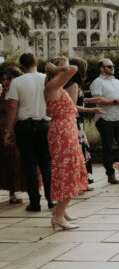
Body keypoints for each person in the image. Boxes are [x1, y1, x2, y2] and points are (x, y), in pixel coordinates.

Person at [3, 52, 53, 212]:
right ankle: (52, 198)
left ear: (22, 66)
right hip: (45, 122)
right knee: (46, 162)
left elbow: (12, 107)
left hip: (25, 125)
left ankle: (35, 201)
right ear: (36, 62)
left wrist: (8, 130)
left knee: (29, 164)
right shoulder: (46, 78)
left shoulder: (17, 82)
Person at [44, 57, 89, 230]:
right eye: (64, 64)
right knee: (68, 171)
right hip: (63, 132)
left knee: (70, 169)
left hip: (64, 130)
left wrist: (57, 70)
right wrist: (59, 69)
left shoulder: (55, 87)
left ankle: (61, 210)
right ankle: (57, 215)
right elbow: (74, 70)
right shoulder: (53, 86)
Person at [88, 58, 119, 184]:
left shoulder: (117, 81)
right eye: (109, 66)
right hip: (105, 118)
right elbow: (97, 99)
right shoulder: (97, 82)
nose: (112, 68)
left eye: (113, 66)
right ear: (102, 68)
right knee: (108, 147)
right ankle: (110, 174)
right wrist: (115, 101)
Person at [67, 57, 100, 189]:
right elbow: (72, 106)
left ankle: (82, 181)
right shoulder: (74, 84)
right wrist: (90, 109)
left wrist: (90, 101)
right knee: (81, 150)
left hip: (78, 121)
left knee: (82, 150)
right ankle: (81, 181)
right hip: (75, 121)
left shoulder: (74, 84)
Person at [0, 66, 28, 204]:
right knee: (5, 162)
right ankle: (11, 192)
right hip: (2, 129)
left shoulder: (19, 91)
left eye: (9, 79)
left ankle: (22, 189)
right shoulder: (3, 91)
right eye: (4, 79)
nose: (6, 82)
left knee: (17, 160)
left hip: (16, 128)